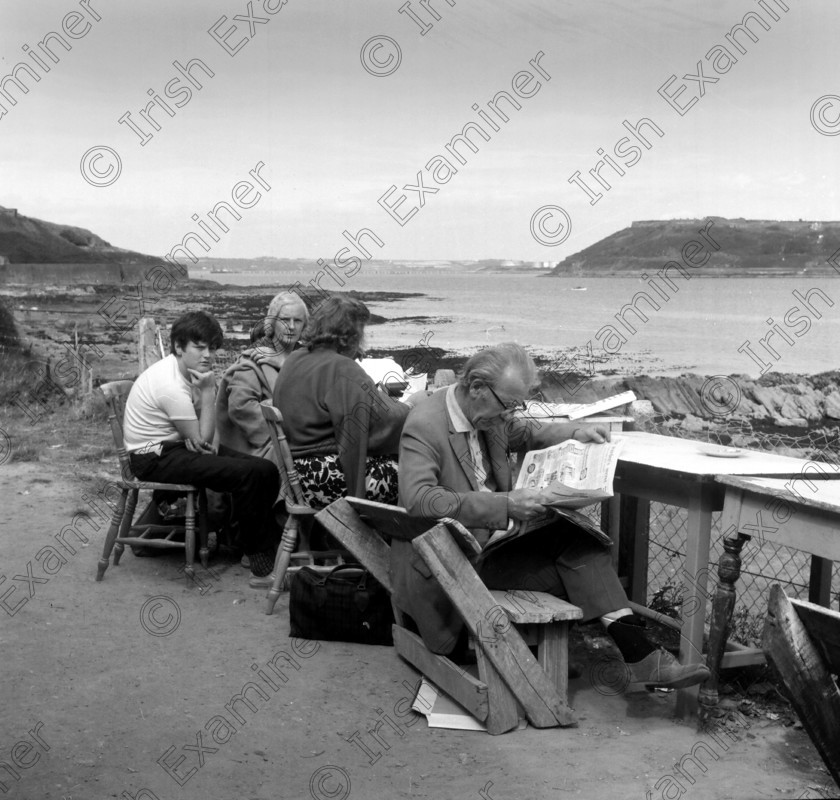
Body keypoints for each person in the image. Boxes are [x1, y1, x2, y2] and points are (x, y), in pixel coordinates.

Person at [391, 342, 710, 692]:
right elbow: (419, 499)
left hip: (491, 549)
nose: (509, 415)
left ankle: (641, 657)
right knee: (576, 557)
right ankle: (637, 657)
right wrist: (507, 504)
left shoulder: (487, 414)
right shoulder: (425, 424)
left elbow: (527, 432)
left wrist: (575, 432)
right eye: (507, 405)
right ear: (476, 386)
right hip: (451, 565)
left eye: (516, 406)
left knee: (581, 545)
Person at [122, 310, 280, 587]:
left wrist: (212, 447)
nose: (208, 354)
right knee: (249, 474)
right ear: (179, 347)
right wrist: (208, 392)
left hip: (175, 446)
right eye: (199, 347)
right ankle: (260, 562)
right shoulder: (169, 384)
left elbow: (209, 436)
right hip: (152, 457)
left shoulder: (189, 372)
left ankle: (246, 544)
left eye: (212, 347)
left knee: (265, 468)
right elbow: (203, 438)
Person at [272, 295, 413, 506]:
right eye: (362, 331)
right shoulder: (342, 368)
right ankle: (396, 536)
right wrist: (413, 408)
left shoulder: (296, 358)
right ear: (349, 335)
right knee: (415, 472)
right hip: (327, 480)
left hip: (295, 479)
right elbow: (375, 425)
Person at [215, 291, 308, 463]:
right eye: (285, 320)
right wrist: (286, 416)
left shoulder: (307, 358)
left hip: (305, 442)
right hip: (268, 448)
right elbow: (240, 406)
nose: (292, 326)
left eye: (298, 320)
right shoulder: (253, 360)